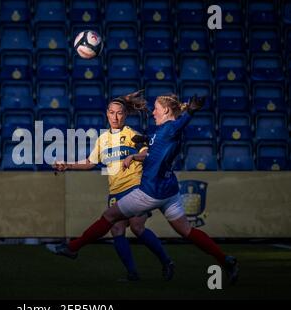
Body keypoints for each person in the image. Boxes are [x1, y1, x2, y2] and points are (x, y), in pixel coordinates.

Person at [47, 93, 240, 284]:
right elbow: (157, 146)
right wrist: (145, 140)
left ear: (165, 110)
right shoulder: (158, 131)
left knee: (109, 217)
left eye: (156, 108)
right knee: (187, 231)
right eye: (112, 112)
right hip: (169, 191)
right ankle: (225, 261)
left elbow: (176, 127)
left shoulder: (168, 128)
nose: (153, 112)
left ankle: (73, 248)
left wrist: (189, 112)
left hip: (149, 192)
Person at [53, 91, 174, 281]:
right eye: (111, 112)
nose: (115, 117)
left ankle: (166, 262)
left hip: (135, 188)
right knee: (117, 230)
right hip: (115, 192)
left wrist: (134, 155)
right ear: (107, 114)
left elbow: (148, 154)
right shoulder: (102, 140)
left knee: (136, 226)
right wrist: (67, 164)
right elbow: (90, 162)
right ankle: (133, 273)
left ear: (125, 115)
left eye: (119, 113)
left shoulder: (132, 135)